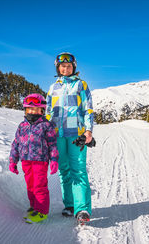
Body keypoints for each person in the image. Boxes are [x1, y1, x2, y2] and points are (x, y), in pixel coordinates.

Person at [45, 52, 94, 224]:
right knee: (64, 170)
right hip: (57, 135)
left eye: (69, 66)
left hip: (76, 135)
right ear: (58, 68)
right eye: (62, 66)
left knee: (78, 170)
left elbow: (87, 109)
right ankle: (70, 205)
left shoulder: (81, 85)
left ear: (74, 67)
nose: (65, 69)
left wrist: (88, 131)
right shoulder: (53, 88)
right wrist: (45, 132)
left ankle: (82, 209)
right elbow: (48, 113)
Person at [9, 93, 59, 223]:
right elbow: (16, 143)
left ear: (42, 110)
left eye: (36, 109)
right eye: (29, 109)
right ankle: (34, 206)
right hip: (26, 161)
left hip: (40, 162)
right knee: (30, 186)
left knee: (39, 186)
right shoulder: (22, 126)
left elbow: (52, 144)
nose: (32, 112)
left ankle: (42, 212)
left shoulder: (46, 125)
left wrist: (54, 160)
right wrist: (13, 161)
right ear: (25, 110)